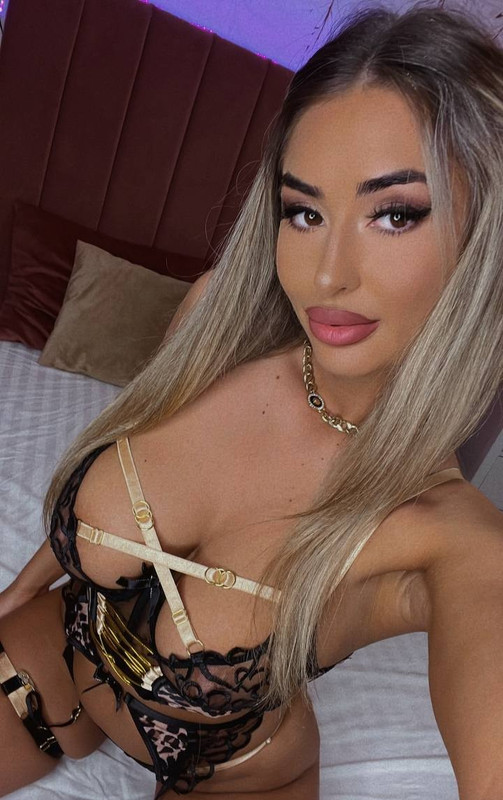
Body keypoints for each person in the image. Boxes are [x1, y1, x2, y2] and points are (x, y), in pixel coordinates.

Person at [1, 4, 502, 799]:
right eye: (304, 211)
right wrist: (24, 593)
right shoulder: (214, 324)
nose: (326, 273)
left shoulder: (446, 537)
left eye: (393, 214)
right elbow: (123, 454)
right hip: (62, 655)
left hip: (231, 771)